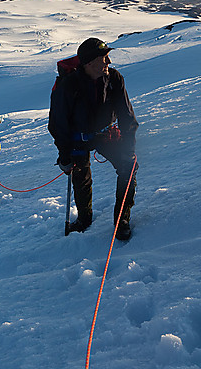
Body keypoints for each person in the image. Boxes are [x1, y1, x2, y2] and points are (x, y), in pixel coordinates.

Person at [48, 37, 139, 239]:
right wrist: (64, 156)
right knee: (80, 177)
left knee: (128, 167)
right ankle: (84, 219)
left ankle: (121, 220)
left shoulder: (114, 78)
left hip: (106, 134)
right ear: (89, 63)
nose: (109, 62)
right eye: (104, 58)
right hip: (77, 138)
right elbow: (58, 124)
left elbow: (127, 116)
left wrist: (129, 148)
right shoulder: (68, 86)